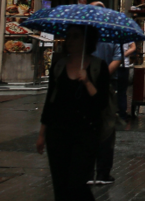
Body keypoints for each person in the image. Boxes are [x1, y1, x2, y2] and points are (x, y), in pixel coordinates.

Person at [37, 25, 109, 201]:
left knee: (76, 184)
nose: (70, 40)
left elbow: (101, 103)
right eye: (68, 36)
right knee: (60, 186)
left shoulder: (98, 67)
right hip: (58, 133)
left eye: (75, 36)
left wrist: (87, 82)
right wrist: (42, 134)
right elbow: (50, 101)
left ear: (86, 40)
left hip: (85, 134)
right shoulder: (59, 65)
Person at [90, 40, 121, 185]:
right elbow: (117, 59)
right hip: (105, 82)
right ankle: (102, 172)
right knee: (106, 127)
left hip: (95, 82)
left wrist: (98, 74)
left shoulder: (85, 35)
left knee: (97, 126)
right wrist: (103, 74)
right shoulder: (112, 36)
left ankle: (94, 171)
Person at [117, 41, 135, 121]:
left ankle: (122, 114)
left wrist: (123, 54)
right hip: (113, 64)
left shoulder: (126, 34)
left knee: (122, 91)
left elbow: (133, 47)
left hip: (124, 66)